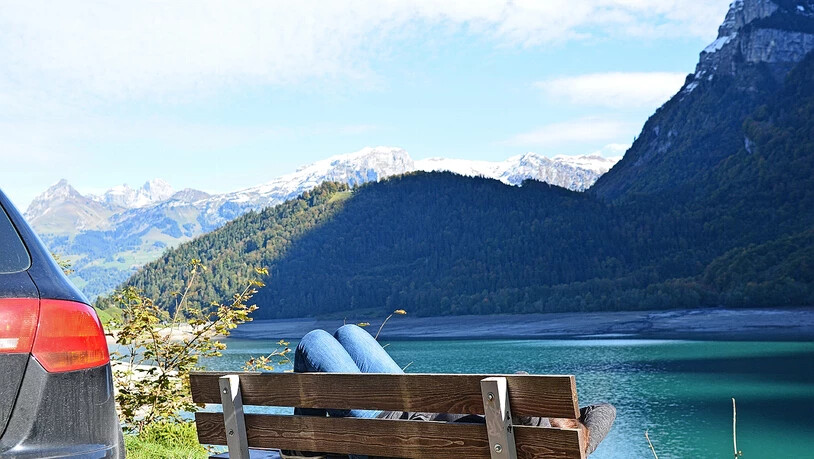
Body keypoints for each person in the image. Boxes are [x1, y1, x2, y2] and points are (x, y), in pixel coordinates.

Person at [291, 324, 616, 457]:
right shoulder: (557, 446)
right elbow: (604, 412)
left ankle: (307, 447)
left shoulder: (520, 423)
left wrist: (557, 419)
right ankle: (312, 443)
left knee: (315, 341)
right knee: (348, 333)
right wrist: (577, 442)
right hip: (407, 405)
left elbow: (520, 381)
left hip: (385, 436)